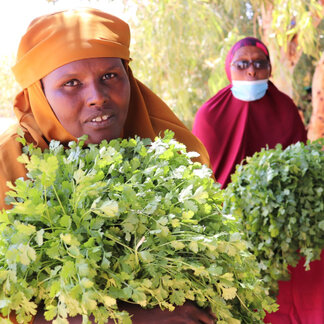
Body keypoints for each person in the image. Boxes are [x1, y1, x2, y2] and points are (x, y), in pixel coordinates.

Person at [0, 7, 214, 324]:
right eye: (71, 82)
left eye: (109, 76)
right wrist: (140, 318)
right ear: (40, 94)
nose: (97, 97)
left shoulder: (171, 151)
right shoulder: (12, 164)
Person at [192, 37, 307, 188]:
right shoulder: (209, 115)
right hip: (221, 208)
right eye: (241, 65)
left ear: (269, 69)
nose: (251, 71)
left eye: (260, 64)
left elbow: (301, 164)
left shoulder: (286, 108)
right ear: (229, 68)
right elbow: (199, 176)